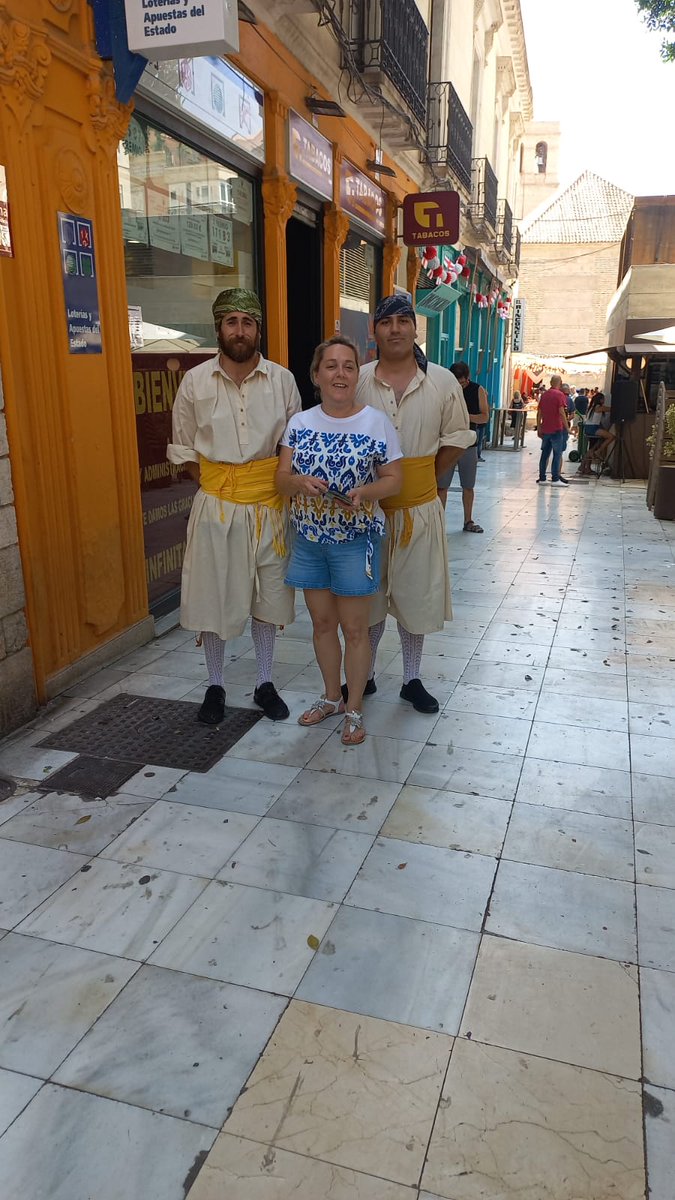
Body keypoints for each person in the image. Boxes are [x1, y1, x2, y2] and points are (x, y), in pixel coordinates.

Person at [168, 288, 301, 725]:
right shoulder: (195, 382)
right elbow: (186, 452)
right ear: (218, 328)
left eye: (247, 322)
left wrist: (258, 487)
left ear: (258, 329)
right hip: (217, 506)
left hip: (271, 508)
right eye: (231, 322)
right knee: (215, 597)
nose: (239, 331)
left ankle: (265, 682)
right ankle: (215, 685)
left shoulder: (282, 380)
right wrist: (224, 485)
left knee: (268, 598)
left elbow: (292, 448)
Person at [276, 337, 402, 745]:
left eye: (349, 366)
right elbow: (280, 481)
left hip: (355, 541)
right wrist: (297, 481)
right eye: (330, 366)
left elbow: (394, 479)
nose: (340, 373)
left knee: (355, 628)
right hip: (310, 539)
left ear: (357, 376)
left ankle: (355, 709)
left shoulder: (376, 422)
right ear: (316, 375)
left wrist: (366, 493)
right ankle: (331, 697)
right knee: (322, 624)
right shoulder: (300, 423)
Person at [353, 295, 475, 713]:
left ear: (415, 328)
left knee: (415, 597)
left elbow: (457, 438)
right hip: (365, 512)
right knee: (368, 596)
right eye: (387, 322)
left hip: (420, 510)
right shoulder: (359, 379)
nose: (396, 329)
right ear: (375, 330)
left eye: (404, 320)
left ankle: (411, 678)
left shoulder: (440, 381)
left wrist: (419, 478)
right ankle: (364, 673)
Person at [436, 361, 488, 533]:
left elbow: (484, 417)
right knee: (442, 485)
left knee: (468, 485)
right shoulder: (444, 389)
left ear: (468, 378)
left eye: (463, 383)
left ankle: (468, 520)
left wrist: (464, 417)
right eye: (457, 382)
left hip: (468, 444)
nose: (460, 386)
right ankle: (438, 522)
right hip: (447, 443)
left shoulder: (477, 390)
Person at [536, 373, 570, 486]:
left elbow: (539, 413)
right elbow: (561, 412)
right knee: (557, 454)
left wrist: (539, 427)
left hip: (545, 428)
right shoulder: (560, 395)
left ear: (550, 383)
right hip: (556, 429)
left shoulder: (544, 395)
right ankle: (555, 479)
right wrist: (567, 427)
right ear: (560, 383)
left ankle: (542, 478)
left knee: (544, 454)